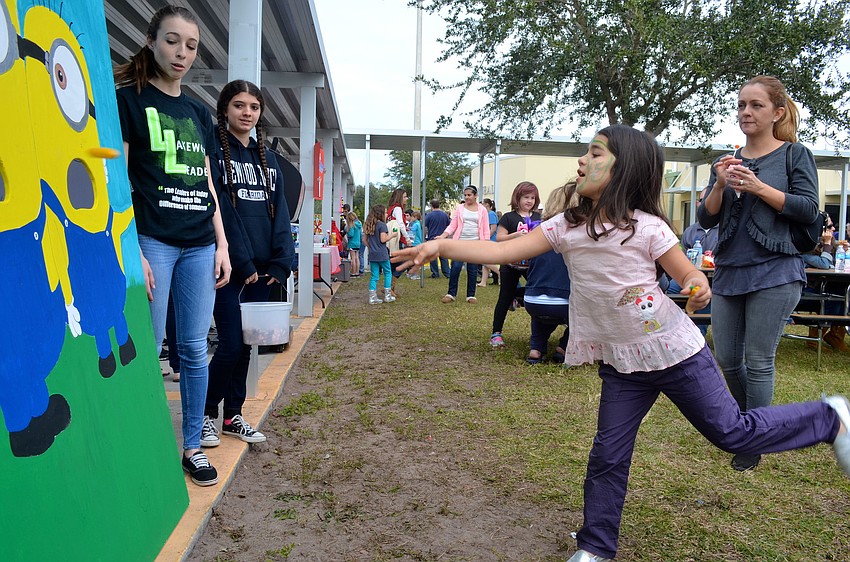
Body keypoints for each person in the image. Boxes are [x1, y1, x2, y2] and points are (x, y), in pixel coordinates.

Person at [393, 124, 850, 562]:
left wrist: (696, 285)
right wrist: (439, 247)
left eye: (594, 153)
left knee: (732, 433)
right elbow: (500, 252)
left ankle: (829, 416)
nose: (581, 160)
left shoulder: (647, 226)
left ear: (622, 171)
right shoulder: (563, 228)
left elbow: (684, 271)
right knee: (608, 454)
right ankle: (596, 544)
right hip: (621, 362)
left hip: (674, 352)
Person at [115, 5, 231, 486]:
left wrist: (222, 243)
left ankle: (190, 448)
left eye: (191, 45)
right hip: (153, 242)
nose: (182, 53)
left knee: (193, 346)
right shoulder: (129, 101)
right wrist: (132, 249)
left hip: (200, 243)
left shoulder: (200, 113)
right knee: (149, 345)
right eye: (172, 41)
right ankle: (136, 444)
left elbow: (206, 184)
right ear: (150, 40)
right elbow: (118, 180)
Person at [697, 75, 820, 472]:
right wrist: (719, 184)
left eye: (755, 106)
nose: (746, 112)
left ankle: (753, 439)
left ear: (776, 113)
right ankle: (754, 425)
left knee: (759, 359)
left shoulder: (794, 155)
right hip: (731, 268)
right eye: (741, 105)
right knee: (728, 359)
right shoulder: (729, 159)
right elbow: (704, 217)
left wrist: (759, 187)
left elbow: (808, 210)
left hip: (777, 268)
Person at [199, 80, 294, 449]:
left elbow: (281, 215)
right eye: (239, 105)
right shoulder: (215, 154)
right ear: (225, 109)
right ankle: (206, 414)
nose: (247, 113)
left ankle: (232, 415)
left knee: (249, 345)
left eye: (253, 107)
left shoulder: (269, 160)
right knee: (230, 345)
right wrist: (241, 260)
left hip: (264, 272)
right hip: (231, 269)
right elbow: (219, 207)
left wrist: (281, 264)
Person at [524, 183, 573, 364]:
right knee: (585, 314)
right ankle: (564, 347)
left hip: (533, 300)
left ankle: (536, 348)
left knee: (541, 315)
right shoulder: (579, 234)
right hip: (565, 302)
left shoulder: (538, 231)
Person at [489, 181, 541, 347]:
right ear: (517, 198)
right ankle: (496, 333)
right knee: (504, 297)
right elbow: (499, 238)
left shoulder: (539, 217)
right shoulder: (508, 217)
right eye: (526, 197)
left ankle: (517, 298)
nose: (529, 201)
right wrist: (516, 235)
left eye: (533, 198)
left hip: (532, 264)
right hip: (510, 263)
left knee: (538, 292)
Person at [665, 188, 718, 336]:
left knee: (703, 293)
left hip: (716, 279)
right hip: (688, 277)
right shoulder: (691, 230)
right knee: (670, 291)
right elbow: (681, 257)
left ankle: (697, 334)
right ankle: (673, 331)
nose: (706, 204)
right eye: (703, 201)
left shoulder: (725, 229)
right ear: (697, 203)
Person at [801, 215, 849, 352]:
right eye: (829, 227)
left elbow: (836, 265)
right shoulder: (805, 248)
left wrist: (844, 251)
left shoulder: (827, 246)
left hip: (820, 288)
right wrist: (827, 244)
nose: (833, 229)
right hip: (803, 292)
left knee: (842, 289)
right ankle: (816, 339)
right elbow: (824, 264)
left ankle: (835, 335)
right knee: (836, 291)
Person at [437, 186, 489, 304]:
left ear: (475, 195)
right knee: (455, 268)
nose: (466, 197)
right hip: (459, 243)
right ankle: (451, 293)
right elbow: (453, 225)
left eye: (469, 195)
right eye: (465, 195)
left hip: (475, 244)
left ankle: (471, 295)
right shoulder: (460, 208)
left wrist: (486, 243)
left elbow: (486, 228)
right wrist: (443, 236)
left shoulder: (482, 210)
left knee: (472, 269)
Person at [364, 204, 398, 304]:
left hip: (373, 254)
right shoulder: (382, 225)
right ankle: (388, 295)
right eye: (386, 212)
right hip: (382, 253)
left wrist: (371, 247)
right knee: (388, 272)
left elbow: (364, 240)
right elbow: (383, 239)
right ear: (381, 214)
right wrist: (392, 235)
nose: (387, 214)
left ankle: (372, 297)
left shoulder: (369, 225)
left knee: (374, 276)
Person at [386, 189, 413, 297]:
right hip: (398, 240)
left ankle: (390, 288)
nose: (406, 199)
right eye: (405, 197)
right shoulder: (397, 208)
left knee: (394, 263)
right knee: (404, 261)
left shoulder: (391, 208)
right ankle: (389, 286)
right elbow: (400, 224)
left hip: (393, 240)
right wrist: (407, 238)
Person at [424, 198, 451, 278]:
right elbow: (448, 225)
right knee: (443, 257)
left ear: (431, 206)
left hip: (432, 238)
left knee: (432, 257)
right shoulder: (444, 215)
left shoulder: (429, 215)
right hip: (442, 238)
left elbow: (424, 226)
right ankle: (447, 273)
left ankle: (435, 273)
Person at [478, 198, 501, 287]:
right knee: (485, 262)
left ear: (487, 204)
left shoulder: (491, 214)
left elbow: (493, 228)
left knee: (486, 262)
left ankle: (501, 273)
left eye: (482, 203)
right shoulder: (487, 214)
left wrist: (486, 239)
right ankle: (483, 282)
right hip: (489, 240)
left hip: (491, 240)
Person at [405, 209, 423, 280]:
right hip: (418, 243)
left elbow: (412, 234)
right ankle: (413, 273)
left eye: (412, 217)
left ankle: (416, 274)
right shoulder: (418, 224)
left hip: (415, 243)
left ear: (415, 217)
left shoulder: (415, 225)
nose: (411, 218)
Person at [345, 211, 362, 277]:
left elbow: (351, 234)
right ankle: (357, 272)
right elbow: (360, 234)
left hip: (352, 243)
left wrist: (348, 233)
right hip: (358, 243)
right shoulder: (359, 224)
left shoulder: (352, 225)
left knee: (353, 258)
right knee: (357, 258)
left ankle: (353, 272)